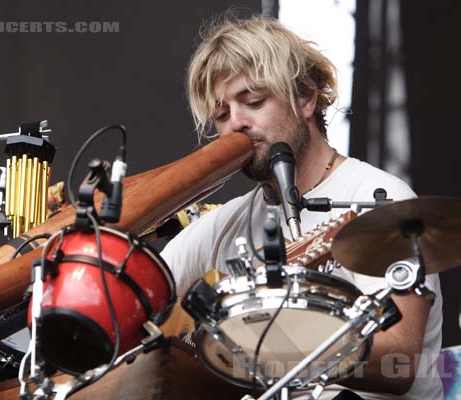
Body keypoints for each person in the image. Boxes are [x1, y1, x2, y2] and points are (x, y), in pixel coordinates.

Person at [160, 15, 443, 400]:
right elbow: (137, 294)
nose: (235, 125)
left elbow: (399, 364)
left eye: (253, 101)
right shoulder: (224, 224)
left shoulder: (380, 197)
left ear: (306, 98)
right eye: (222, 115)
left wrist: (268, 343)